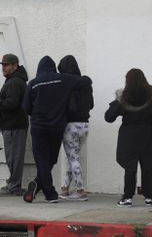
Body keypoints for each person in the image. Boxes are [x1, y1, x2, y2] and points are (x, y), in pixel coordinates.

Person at [22, 55, 91, 204]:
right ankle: (38, 184)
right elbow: (86, 81)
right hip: (57, 128)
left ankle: (50, 194)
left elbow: (26, 108)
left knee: (42, 161)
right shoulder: (62, 79)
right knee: (50, 160)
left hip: (39, 127)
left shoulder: (33, 84)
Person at [105, 68, 152, 207]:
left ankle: (128, 197)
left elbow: (109, 117)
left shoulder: (124, 96)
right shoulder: (151, 95)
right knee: (147, 167)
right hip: (146, 134)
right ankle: (149, 197)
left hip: (128, 136)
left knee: (130, 167)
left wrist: (117, 101)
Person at [0, 53, 29, 196]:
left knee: (14, 157)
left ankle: (14, 185)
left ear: (15, 65)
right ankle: (13, 184)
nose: (3, 68)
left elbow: (12, 104)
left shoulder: (14, 82)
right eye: (3, 65)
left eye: (6, 65)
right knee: (14, 156)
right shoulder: (14, 80)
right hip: (13, 125)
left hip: (14, 126)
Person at [58, 55, 93, 201]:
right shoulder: (86, 84)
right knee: (73, 157)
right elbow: (91, 105)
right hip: (84, 125)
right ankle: (65, 188)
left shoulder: (65, 84)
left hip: (70, 125)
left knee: (73, 158)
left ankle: (80, 190)